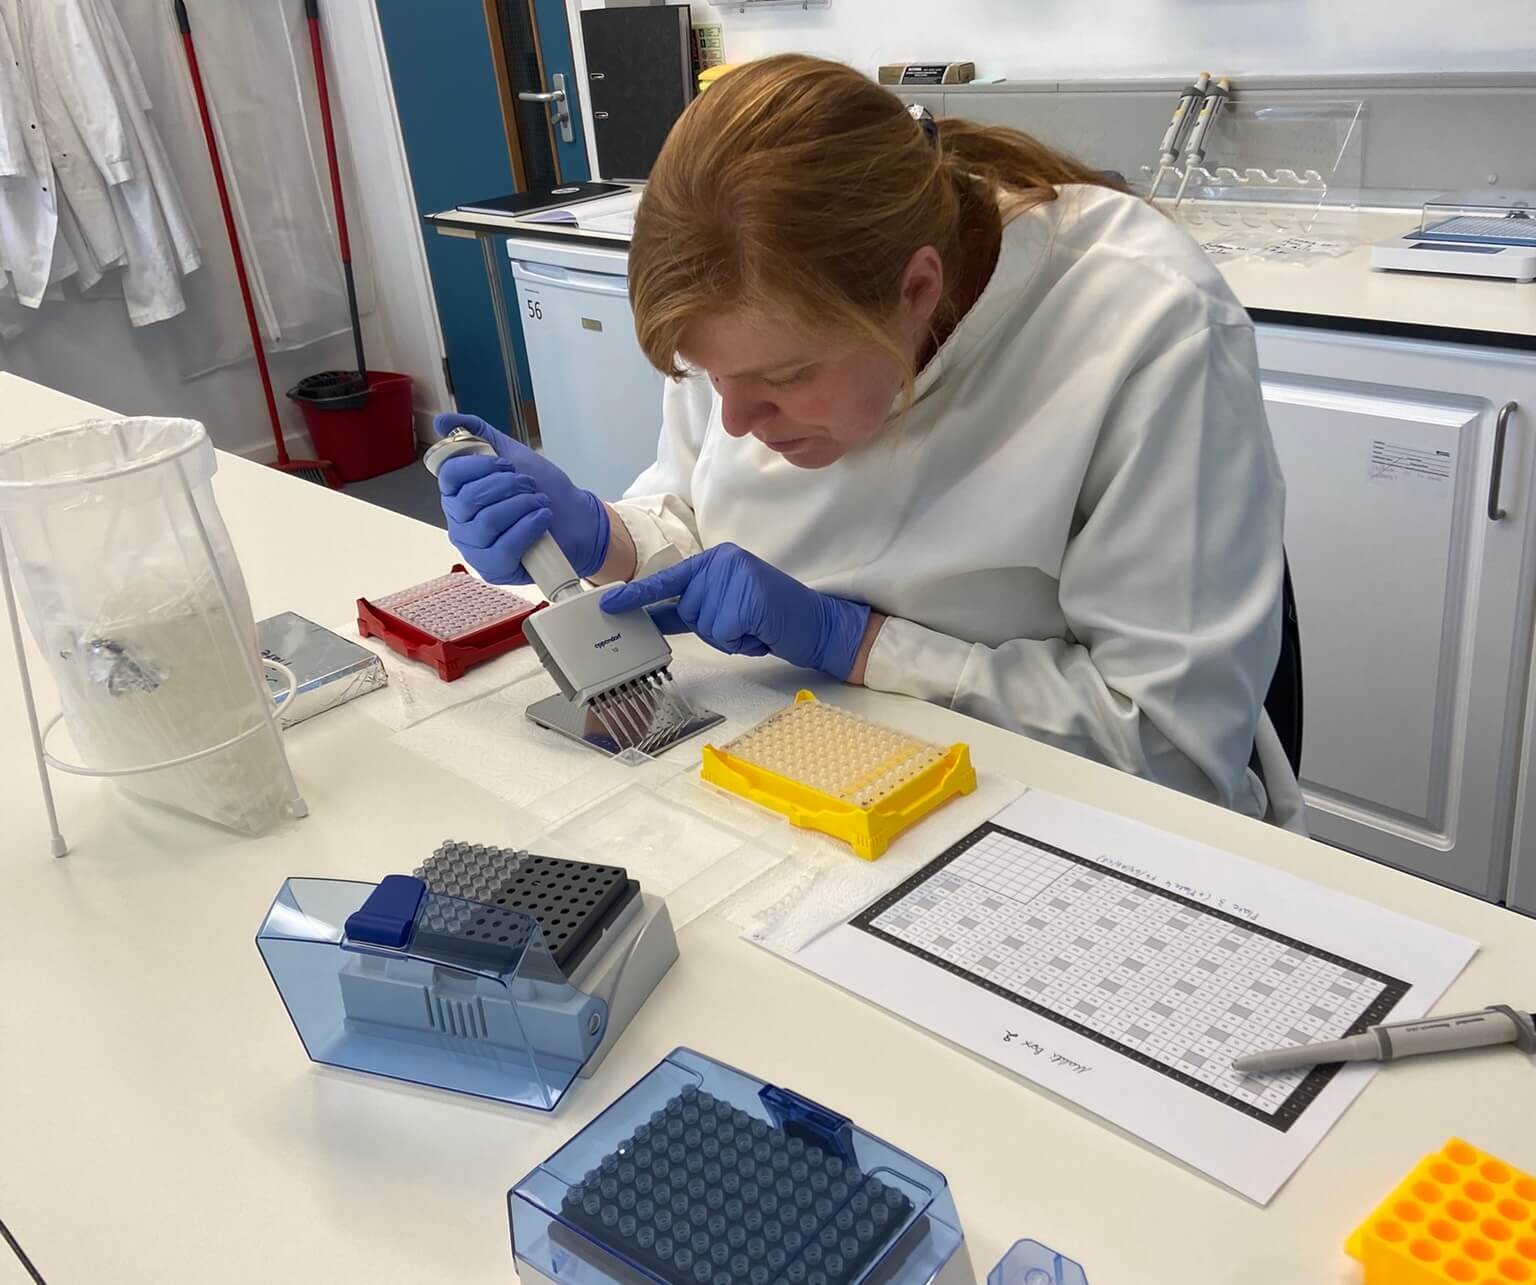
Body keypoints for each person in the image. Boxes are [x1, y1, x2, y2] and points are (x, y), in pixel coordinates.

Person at [434, 54, 1302, 828]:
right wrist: (605, 537)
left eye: (780, 380)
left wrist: (856, 641)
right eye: (709, 378)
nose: (736, 422)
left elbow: (1169, 751)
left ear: (917, 289)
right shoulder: (755, 320)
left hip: (1067, 817)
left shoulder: (1146, 325)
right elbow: (703, 512)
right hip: (810, 765)